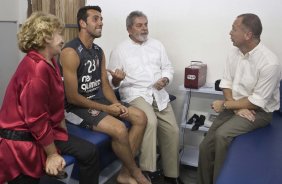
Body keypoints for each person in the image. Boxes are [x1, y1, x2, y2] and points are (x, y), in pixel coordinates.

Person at [0, 12, 99, 184]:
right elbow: (36, 120)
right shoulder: (36, 70)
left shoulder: (50, 60)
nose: (63, 38)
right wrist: (52, 154)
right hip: (22, 141)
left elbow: (54, 103)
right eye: (58, 34)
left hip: (46, 131)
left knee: (90, 152)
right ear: (45, 37)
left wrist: (61, 129)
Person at [59, 6, 150, 184]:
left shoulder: (98, 51)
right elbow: (72, 97)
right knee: (119, 128)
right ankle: (136, 172)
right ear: (82, 23)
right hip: (76, 108)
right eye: (95, 19)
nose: (101, 22)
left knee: (140, 117)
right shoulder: (70, 52)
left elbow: (105, 84)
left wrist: (117, 104)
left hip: (97, 99)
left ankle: (125, 173)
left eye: (101, 19)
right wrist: (107, 108)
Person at [197, 13, 281, 184]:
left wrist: (227, 105)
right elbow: (226, 83)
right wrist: (234, 107)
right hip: (235, 106)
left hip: (259, 113)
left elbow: (257, 102)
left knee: (222, 135)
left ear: (248, 35)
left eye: (234, 29)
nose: (230, 33)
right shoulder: (234, 52)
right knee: (204, 147)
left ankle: (219, 180)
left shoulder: (270, 63)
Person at [108, 11, 183, 184]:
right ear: (129, 29)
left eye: (146, 24)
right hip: (135, 94)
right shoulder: (119, 50)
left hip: (158, 94)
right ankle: (147, 171)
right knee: (150, 121)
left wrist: (165, 79)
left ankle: (172, 175)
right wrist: (117, 80)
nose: (144, 29)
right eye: (139, 25)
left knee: (173, 130)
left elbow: (168, 68)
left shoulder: (157, 45)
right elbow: (111, 82)